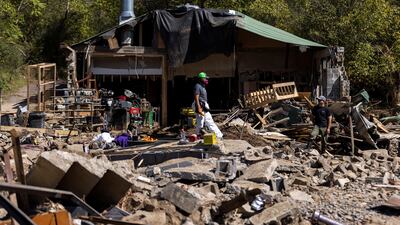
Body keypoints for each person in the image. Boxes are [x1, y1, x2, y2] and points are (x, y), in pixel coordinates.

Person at [192, 72, 223, 139]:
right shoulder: (197, 86)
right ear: (201, 78)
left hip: (203, 105)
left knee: (209, 120)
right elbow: (196, 96)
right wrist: (198, 107)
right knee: (200, 121)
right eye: (205, 78)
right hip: (199, 105)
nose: (206, 79)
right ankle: (198, 135)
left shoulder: (202, 86)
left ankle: (219, 135)